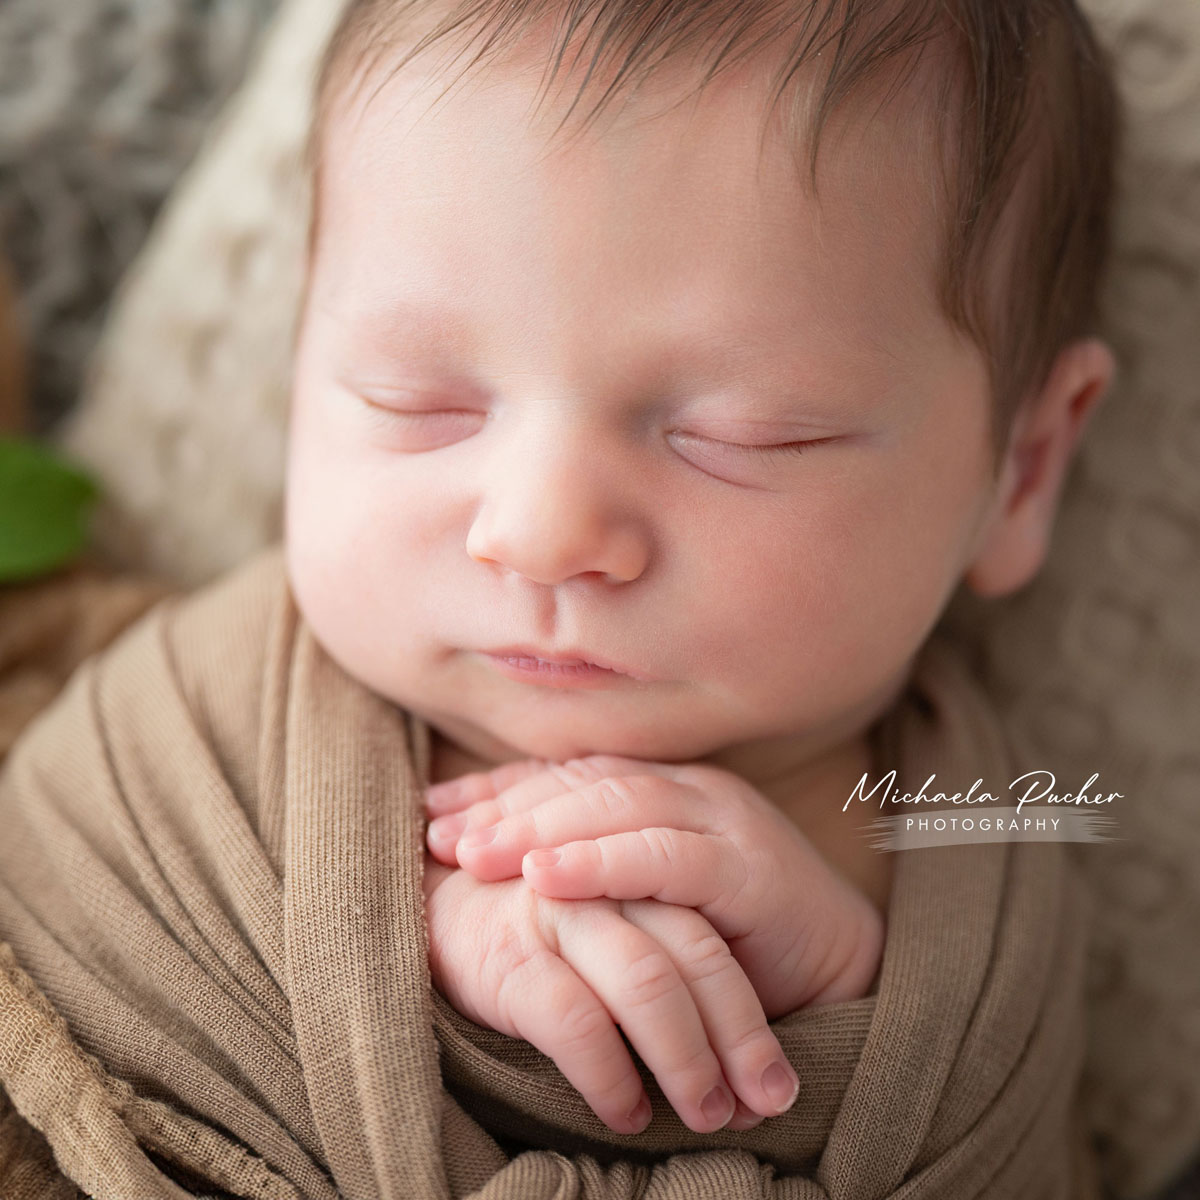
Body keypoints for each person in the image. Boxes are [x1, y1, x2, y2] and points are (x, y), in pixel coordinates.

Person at [0, 1, 1122, 1195]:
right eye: (415, 399)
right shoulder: (206, 714)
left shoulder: (962, 836)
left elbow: (981, 1125)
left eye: (743, 433)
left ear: (1024, 468)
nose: (539, 533)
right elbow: (51, 868)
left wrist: (831, 995)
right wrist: (410, 930)